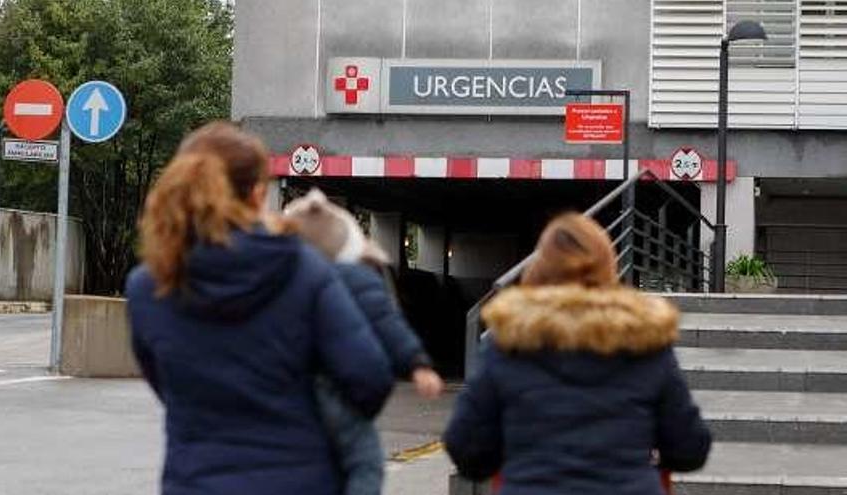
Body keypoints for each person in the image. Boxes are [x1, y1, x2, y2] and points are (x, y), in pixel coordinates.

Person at [125, 122, 394, 495]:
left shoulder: (149, 285)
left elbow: (165, 384)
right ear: (257, 193)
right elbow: (370, 378)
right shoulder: (303, 268)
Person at [444, 213, 711, 495]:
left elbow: (466, 447)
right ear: (609, 266)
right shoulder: (645, 341)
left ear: (539, 269)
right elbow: (690, 448)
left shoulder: (508, 341)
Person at [284, 188, 445, 495]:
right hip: (338, 391)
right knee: (365, 460)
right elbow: (388, 324)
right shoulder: (360, 279)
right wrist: (418, 364)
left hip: (288, 391)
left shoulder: (280, 279)